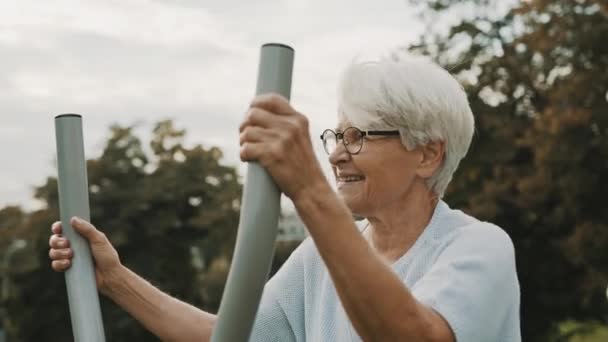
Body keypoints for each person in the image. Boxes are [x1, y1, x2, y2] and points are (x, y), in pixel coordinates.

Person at [49, 53, 521, 341]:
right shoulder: (319, 259)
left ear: (428, 155)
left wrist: (309, 189)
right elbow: (225, 336)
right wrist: (114, 279)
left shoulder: (478, 247)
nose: (336, 154)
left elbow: (413, 337)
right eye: (337, 134)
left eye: (359, 136)